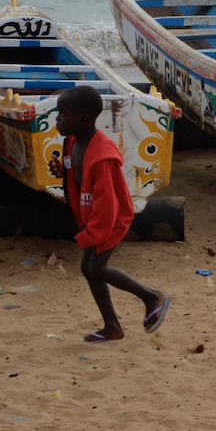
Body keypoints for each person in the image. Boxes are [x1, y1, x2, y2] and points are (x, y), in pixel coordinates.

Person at [53, 84, 170, 341]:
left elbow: (107, 204)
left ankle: (152, 297)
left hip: (111, 219)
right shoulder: (72, 141)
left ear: (83, 119)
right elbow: (77, 172)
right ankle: (112, 327)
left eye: (62, 113)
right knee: (89, 268)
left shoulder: (102, 155)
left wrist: (90, 235)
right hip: (92, 216)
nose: (57, 118)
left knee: (98, 267)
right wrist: (61, 170)